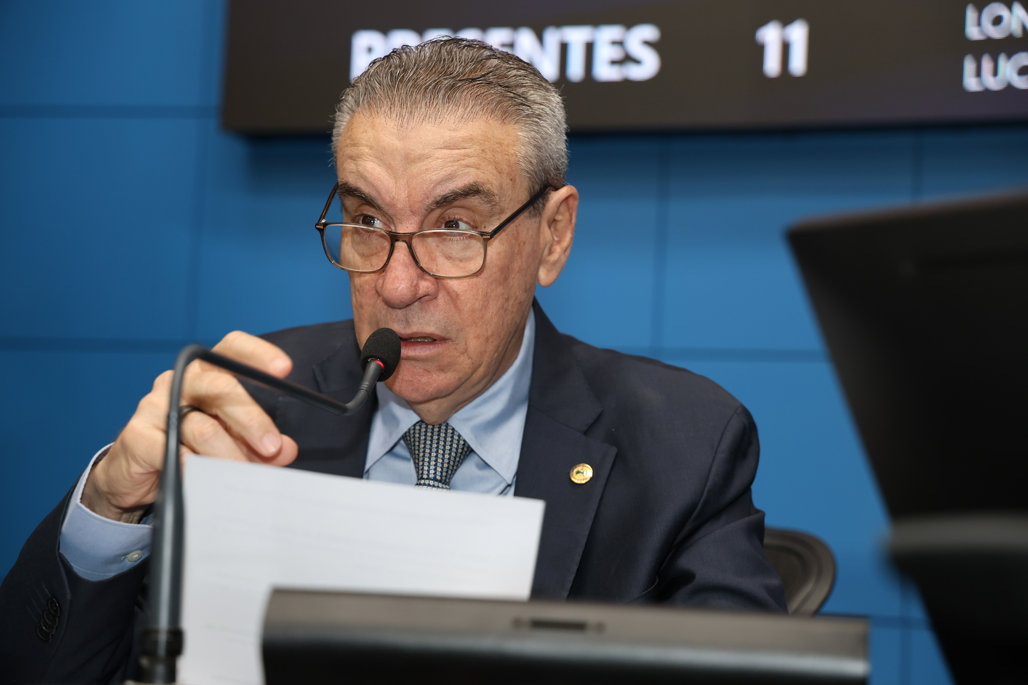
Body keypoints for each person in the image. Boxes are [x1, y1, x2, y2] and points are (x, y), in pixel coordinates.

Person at [0, 37, 785, 683]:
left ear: (553, 235)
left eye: (455, 226)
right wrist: (110, 508)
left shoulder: (682, 444)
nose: (398, 285)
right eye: (367, 221)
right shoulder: (251, 409)